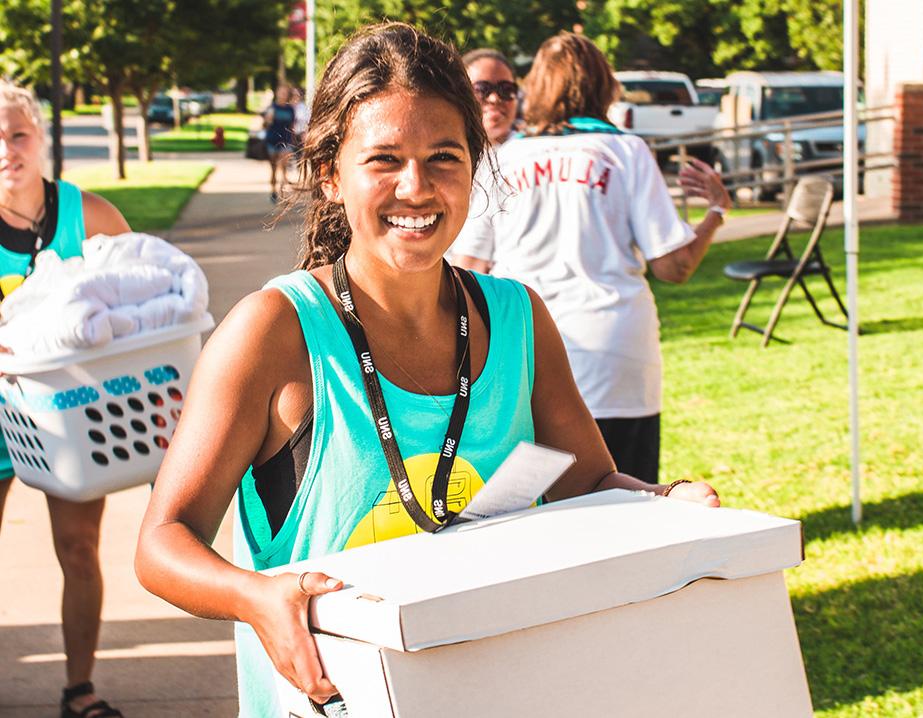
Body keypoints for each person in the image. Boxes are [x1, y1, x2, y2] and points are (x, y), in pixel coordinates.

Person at [133, 23, 720, 718]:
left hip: (494, 687)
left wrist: (656, 501)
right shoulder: (277, 333)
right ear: (330, 173)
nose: (417, 188)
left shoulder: (517, 319)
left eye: (444, 157)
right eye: (384, 159)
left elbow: (587, 482)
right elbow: (163, 542)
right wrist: (257, 598)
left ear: (476, 163)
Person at [450, 33, 733, 485]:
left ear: (536, 89)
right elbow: (673, 266)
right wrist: (715, 213)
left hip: (528, 356)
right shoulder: (625, 152)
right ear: (605, 86)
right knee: (630, 496)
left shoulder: (504, 159)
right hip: (617, 351)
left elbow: (468, 270)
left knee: (540, 508)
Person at [0, 80, 130, 718]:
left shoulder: (91, 217)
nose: (6, 148)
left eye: (18, 133)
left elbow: (143, 296)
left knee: (79, 549)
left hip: (71, 420)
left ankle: (80, 690)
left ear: (42, 139)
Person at [449, 49, 520, 273]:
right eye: (482, 90)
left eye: (506, 90)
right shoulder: (438, 155)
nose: (495, 99)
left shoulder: (526, 158)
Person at [263, 85, 297, 203]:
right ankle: (273, 191)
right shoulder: (272, 107)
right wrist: (268, 119)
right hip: (272, 141)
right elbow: (265, 125)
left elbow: (292, 126)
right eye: (281, 92)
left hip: (286, 142)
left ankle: (282, 193)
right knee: (273, 168)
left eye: (285, 93)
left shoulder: (290, 109)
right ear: (277, 94)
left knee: (283, 167)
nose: (282, 95)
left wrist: (293, 141)